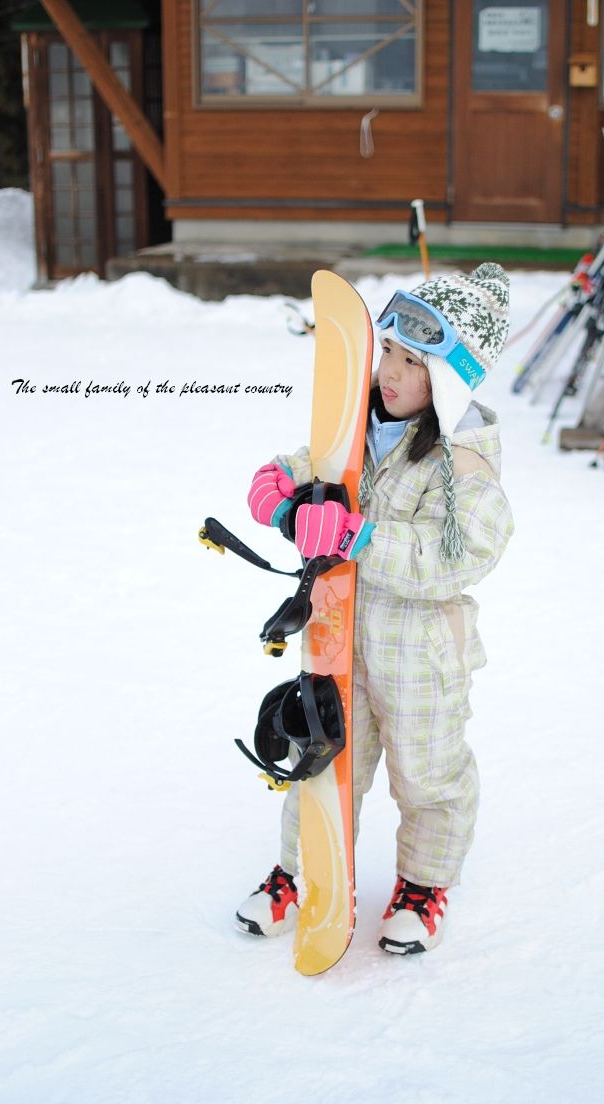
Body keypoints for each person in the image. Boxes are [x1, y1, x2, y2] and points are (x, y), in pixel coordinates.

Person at [236, 263, 515, 955]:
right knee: (321, 765)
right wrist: (279, 482)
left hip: (419, 657)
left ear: (448, 379)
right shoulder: (361, 422)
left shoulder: (466, 464)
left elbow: (452, 558)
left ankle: (423, 882)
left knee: (427, 776)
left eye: (410, 361)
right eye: (385, 349)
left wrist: (358, 536)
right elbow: (318, 460)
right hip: (336, 642)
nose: (387, 369)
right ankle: (298, 874)